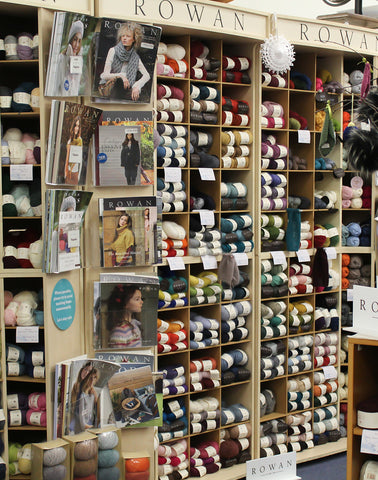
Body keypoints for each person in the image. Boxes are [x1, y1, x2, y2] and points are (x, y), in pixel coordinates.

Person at [99, 22, 150, 101]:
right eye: (123, 35)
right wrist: (121, 76)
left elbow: (147, 75)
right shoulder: (113, 51)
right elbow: (104, 75)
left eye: (128, 36)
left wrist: (137, 86)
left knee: (140, 94)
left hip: (126, 88)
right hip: (111, 86)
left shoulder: (135, 57)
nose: (124, 38)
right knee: (119, 82)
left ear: (134, 39)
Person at [69, 362, 99, 434]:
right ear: (81, 370)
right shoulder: (75, 386)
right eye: (85, 369)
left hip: (87, 420)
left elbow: (95, 409)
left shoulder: (92, 391)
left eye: (89, 371)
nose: (86, 373)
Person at [57, 20, 84, 96]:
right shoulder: (61, 58)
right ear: (70, 40)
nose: (76, 45)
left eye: (79, 41)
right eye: (75, 40)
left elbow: (77, 86)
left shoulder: (80, 61)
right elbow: (59, 83)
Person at [64, 115, 83, 185]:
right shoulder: (70, 140)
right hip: (68, 171)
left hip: (75, 171)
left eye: (78, 126)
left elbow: (80, 160)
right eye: (75, 125)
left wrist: (78, 175)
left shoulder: (80, 140)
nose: (76, 128)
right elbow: (67, 157)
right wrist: (66, 172)